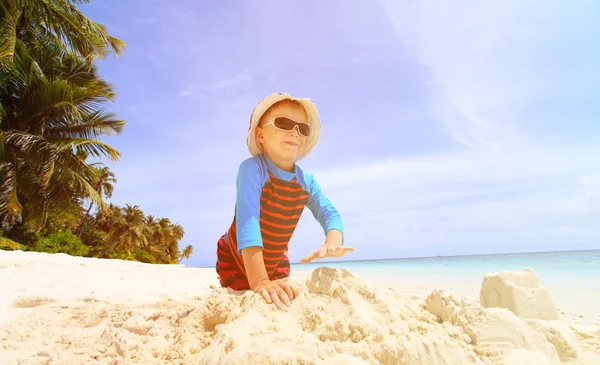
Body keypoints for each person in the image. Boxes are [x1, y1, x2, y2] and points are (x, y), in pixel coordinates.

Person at [215, 93, 355, 309]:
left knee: (282, 296)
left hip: (276, 259)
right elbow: (248, 219)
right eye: (284, 123)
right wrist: (260, 281)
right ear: (260, 135)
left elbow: (329, 213)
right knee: (251, 292)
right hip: (237, 256)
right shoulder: (253, 169)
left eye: (303, 128)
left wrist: (332, 242)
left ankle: (266, 278)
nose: (295, 131)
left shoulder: (306, 182)